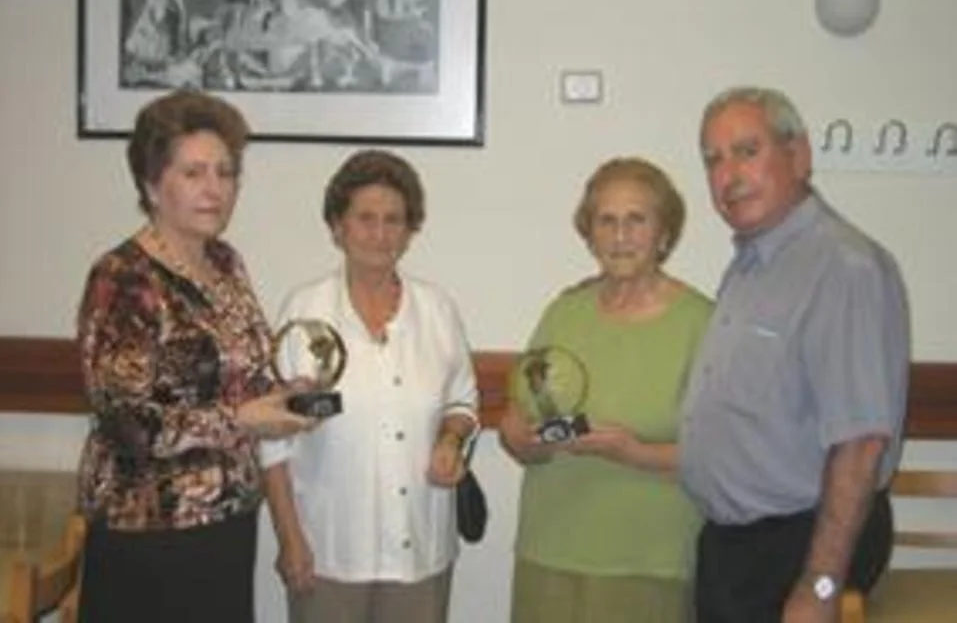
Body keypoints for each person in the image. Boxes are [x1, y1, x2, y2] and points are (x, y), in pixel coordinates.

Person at [75, 90, 315, 623]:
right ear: (151, 185)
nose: (215, 189)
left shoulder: (226, 264)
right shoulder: (123, 278)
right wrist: (241, 419)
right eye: (193, 173)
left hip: (228, 523)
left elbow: (241, 378)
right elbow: (126, 424)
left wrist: (282, 398)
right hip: (147, 536)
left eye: (226, 173)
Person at [680, 87, 910, 623]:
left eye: (747, 151)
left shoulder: (843, 267)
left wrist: (820, 585)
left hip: (802, 548)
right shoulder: (753, 265)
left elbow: (860, 444)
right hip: (738, 550)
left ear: (799, 156)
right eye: (713, 160)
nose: (728, 175)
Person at [260, 149, 479, 623]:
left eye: (394, 220)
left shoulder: (437, 310)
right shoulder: (304, 311)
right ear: (337, 226)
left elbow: (463, 401)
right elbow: (273, 445)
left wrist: (450, 439)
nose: (380, 234)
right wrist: (290, 539)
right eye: (365, 218)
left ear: (410, 229)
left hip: (419, 551)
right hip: (328, 555)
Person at [499, 157, 714, 623]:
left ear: (664, 232)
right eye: (606, 221)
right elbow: (519, 416)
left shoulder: (701, 322)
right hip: (548, 550)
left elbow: (723, 456)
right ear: (589, 234)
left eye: (637, 220)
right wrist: (521, 439)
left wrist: (633, 452)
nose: (620, 236)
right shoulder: (564, 312)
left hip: (647, 563)